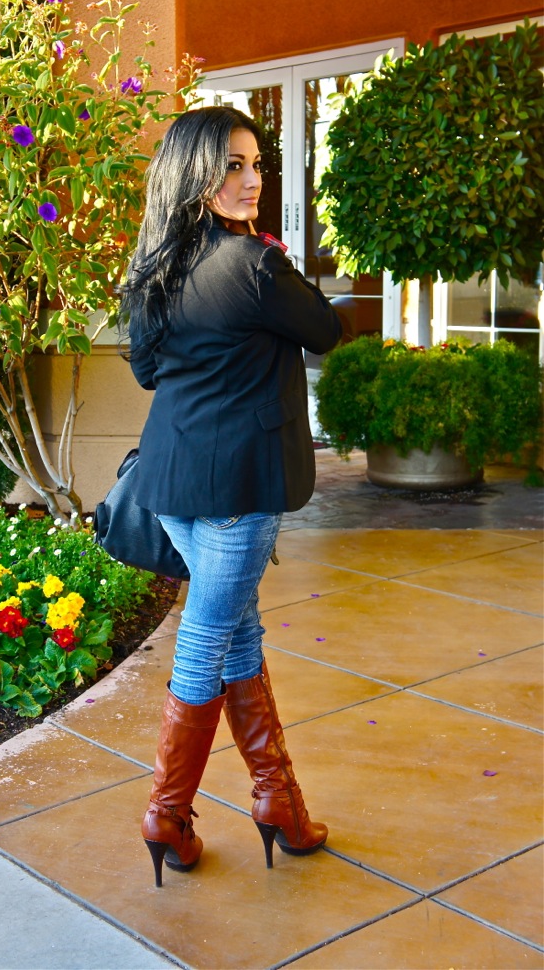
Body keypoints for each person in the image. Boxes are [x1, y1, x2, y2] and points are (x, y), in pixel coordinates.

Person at [119, 106, 342, 888]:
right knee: (209, 635)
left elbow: (148, 370)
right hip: (240, 487)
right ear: (196, 175)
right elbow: (325, 330)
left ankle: (280, 803)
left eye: (255, 165)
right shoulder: (255, 265)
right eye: (233, 166)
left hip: (169, 480)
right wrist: (271, 270)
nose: (251, 180)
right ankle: (166, 812)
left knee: (238, 629)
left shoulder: (155, 266)